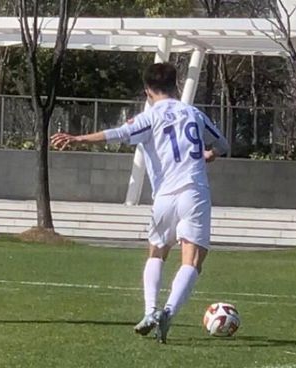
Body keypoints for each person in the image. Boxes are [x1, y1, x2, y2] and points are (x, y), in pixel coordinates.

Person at [51, 62, 229, 344]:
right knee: (192, 260)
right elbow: (223, 144)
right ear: (177, 86)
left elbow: (118, 133)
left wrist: (78, 138)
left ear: (147, 91)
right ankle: (168, 311)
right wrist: (210, 154)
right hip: (194, 192)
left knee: (157, 253)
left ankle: (150, 311)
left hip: (163, 198)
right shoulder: (194, 113)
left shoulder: (150, 116)